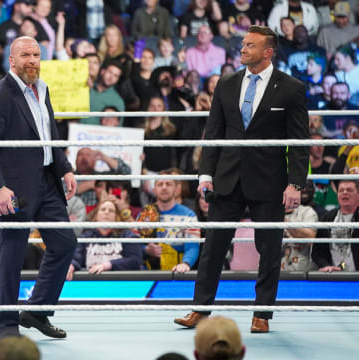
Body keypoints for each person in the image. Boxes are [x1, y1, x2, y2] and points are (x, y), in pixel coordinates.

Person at [174, 26, 309, 333]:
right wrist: (205, 174)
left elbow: (299, 140)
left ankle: (262, 314)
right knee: (213, 248)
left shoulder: (290, 88)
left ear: (268, 52)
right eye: (243, 44)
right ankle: (200, 309)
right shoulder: (227, 82)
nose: (243, 49)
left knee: (270, 248)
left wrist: (295, 183)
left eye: (250, 45)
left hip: (269, 181)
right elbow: (214, 132)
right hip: (227, 177)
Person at [0, 36, 78, 339]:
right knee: (12, 255)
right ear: (11, 60)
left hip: (47, 182)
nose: (32, 60)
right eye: (25, 55)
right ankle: (7, 325)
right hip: (15, 189)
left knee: (64, 244)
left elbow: (50, 134)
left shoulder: (42, 89)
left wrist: (66, 168)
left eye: (36, 55)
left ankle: (37, 310)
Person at [67, 200, 142, 279]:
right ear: (96, 216)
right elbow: (75, 257)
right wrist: (71, 266)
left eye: (111, 211)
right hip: (92, 283)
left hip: (120, 283)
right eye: (103, 209)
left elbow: (135, 261)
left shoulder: (127, 235)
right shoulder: (85, 237)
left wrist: (108, 265)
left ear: (116, 217)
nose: (106, 212)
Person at [313, 180, 359, 272]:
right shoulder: (327, 218)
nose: (344, 193)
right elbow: (317, 251)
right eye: (341, 190)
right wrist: (325, 265)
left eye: (349, 190)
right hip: (334, 276)